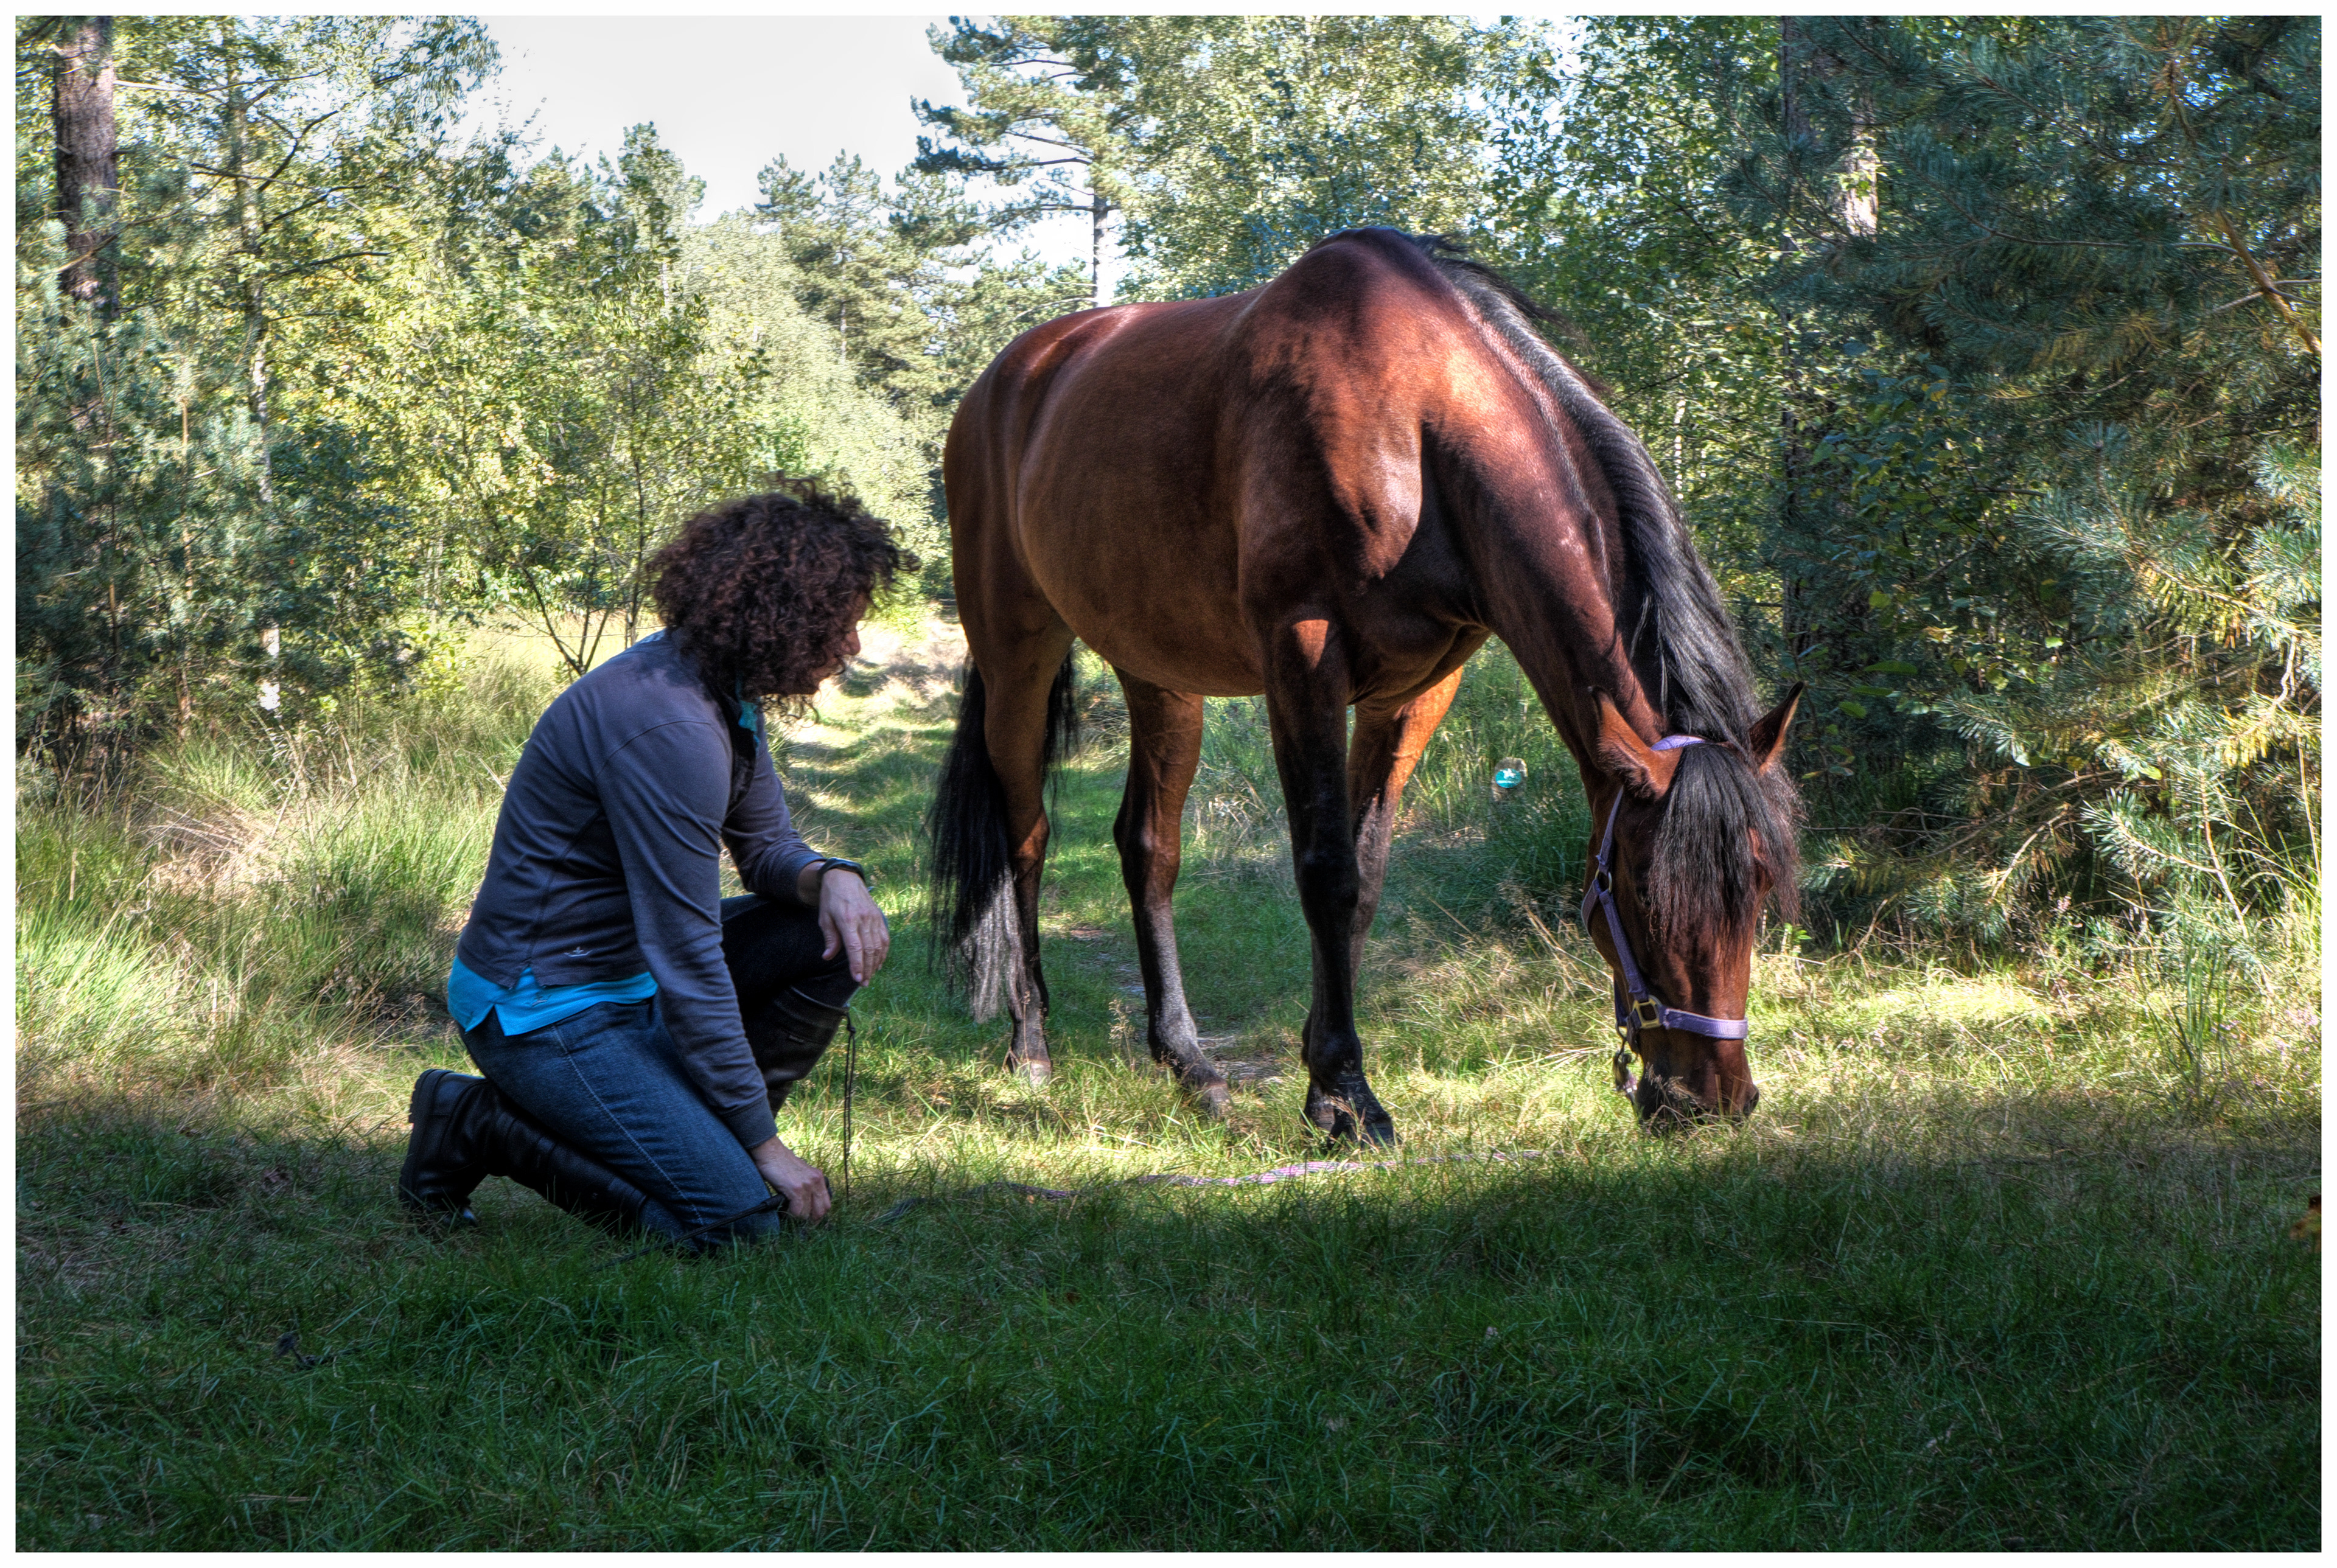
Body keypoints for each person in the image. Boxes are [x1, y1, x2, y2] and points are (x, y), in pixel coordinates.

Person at [396, 483, 906, 1248]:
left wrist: (835, 875)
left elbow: (767, 849)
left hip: (624, 982)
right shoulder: (670, 726)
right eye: (842, 623)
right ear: (782, 615)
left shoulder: (721, 687)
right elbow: (688, 954)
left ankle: (723, 1141)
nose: (853, 645)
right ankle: (475, 1122)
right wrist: (767, 1148)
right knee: (735, 1230)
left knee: (822, 931)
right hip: (545, 1010)